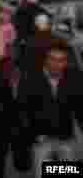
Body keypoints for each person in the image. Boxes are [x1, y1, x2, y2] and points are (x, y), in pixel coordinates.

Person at [18, 40, 83, 175]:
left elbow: (80, 108)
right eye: (52, 59)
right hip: (41, 141)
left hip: (65, 139)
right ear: (46, 60)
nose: (56, 64)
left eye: (61, 60)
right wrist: (32, 136)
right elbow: (22, 111)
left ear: (66, 62)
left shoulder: (74, 77)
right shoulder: (30, 79)